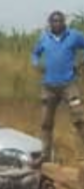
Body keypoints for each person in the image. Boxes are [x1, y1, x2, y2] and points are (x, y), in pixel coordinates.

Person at [32, 11, 84, 162]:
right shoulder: (44, 38)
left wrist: (79, 63)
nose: (57, 23)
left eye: (60, 21)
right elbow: (35, 54)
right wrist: (36, 64)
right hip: (49, 88)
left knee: (80, 118)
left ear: (64, 22)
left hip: (69, 86)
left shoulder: (74, 36)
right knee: (46, 123)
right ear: (50, 23)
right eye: (54, 21)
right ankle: (45, 155)